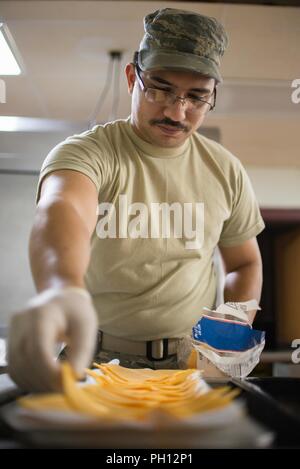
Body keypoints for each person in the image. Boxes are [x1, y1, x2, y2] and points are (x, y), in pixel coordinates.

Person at [8, 8, 265, 392]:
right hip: (93, 359)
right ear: (132, 77)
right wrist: (61, 287)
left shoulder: (225, 169)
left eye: (196, 97)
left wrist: (227, 336)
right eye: (159, 88)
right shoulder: (88, 153)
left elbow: (243, 263)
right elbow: (63, 211)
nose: (176, 112)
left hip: (189, 364)